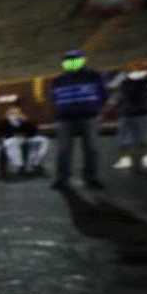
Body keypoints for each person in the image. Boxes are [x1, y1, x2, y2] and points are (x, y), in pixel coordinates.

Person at [50, 48, 108, 190]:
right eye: (69, 61)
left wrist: (94, 109)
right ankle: (63, 178)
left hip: (88, 117)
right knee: (64, 149)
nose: (72, 63)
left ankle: (91, 177)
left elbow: (103, 95)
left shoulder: (94, 76)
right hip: (65, 119)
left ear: (83, 61)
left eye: (75, 60)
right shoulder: (58, 80)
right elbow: (54, 98)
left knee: (91, 149)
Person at [113, 60, 147, 170]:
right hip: (128, 114)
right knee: (124, 139)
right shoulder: (126, 83)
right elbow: (122, 98)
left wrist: (121, 107)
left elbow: (137, 97)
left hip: (143, 114)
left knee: (145, 139)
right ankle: (125, 160)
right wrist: (120, 107)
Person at [0, 105, 49, 176]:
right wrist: (6, 138)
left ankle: (35, 162)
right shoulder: (3, 123)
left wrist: (27, 122)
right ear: (8, 115)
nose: (15, 115)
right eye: (12, 113)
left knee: (43, 140)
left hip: (25, 140)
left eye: (17, 113)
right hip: (11, 141)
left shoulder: (23, 122)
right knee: (12, 142)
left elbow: (33, 132)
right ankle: (19, 165)